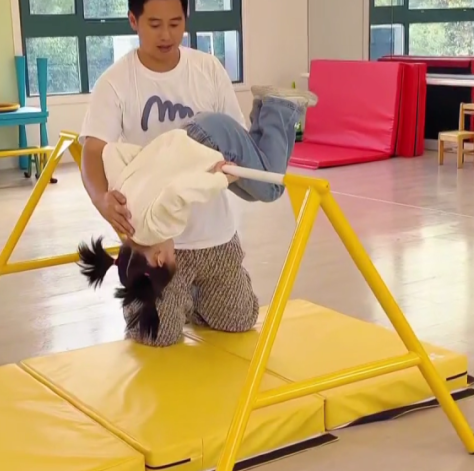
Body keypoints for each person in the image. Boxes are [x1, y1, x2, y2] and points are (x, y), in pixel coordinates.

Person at [76, 0, 314, 346]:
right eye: (155, 24)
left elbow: (234, 141)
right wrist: (102, 198)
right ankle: (181, 299)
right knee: (156, 336)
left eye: (175, 23)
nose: (166, 35)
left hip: (214, 232)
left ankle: (276, 108)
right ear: (133, 21)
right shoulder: (116, 82)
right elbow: (94, 150)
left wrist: (222, 173)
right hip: (167, 244)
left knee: (239, 318)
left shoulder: (206, 69)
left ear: (186, 19)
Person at [78, 85, 315, 344]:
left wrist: (220, 179)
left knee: (270, 187)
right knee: (251, 189)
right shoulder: (126, 208)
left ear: (159, 258)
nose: (173, 251)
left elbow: (180, 191)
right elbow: (111, 152)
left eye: (172, 257)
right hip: (194, 130)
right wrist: (149, 161)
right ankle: (263, 108)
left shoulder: (156, 227)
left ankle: (280, 107)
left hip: (214, 140)